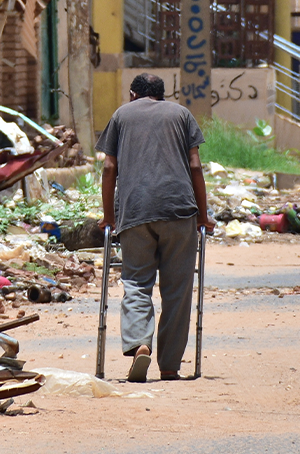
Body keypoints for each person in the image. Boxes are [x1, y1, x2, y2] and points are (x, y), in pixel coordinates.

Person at [97, 72, 213, 382]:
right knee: (177, 289)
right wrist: (203, 215)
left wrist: (109, 216)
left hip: (135, 211)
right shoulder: (181, 114)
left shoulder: (121, 115)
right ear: (160, 95)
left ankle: (140, 346)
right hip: (179, 209)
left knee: (136, 282)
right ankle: (170, 365)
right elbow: (195, 166)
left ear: (133, 94)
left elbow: (109, 167)